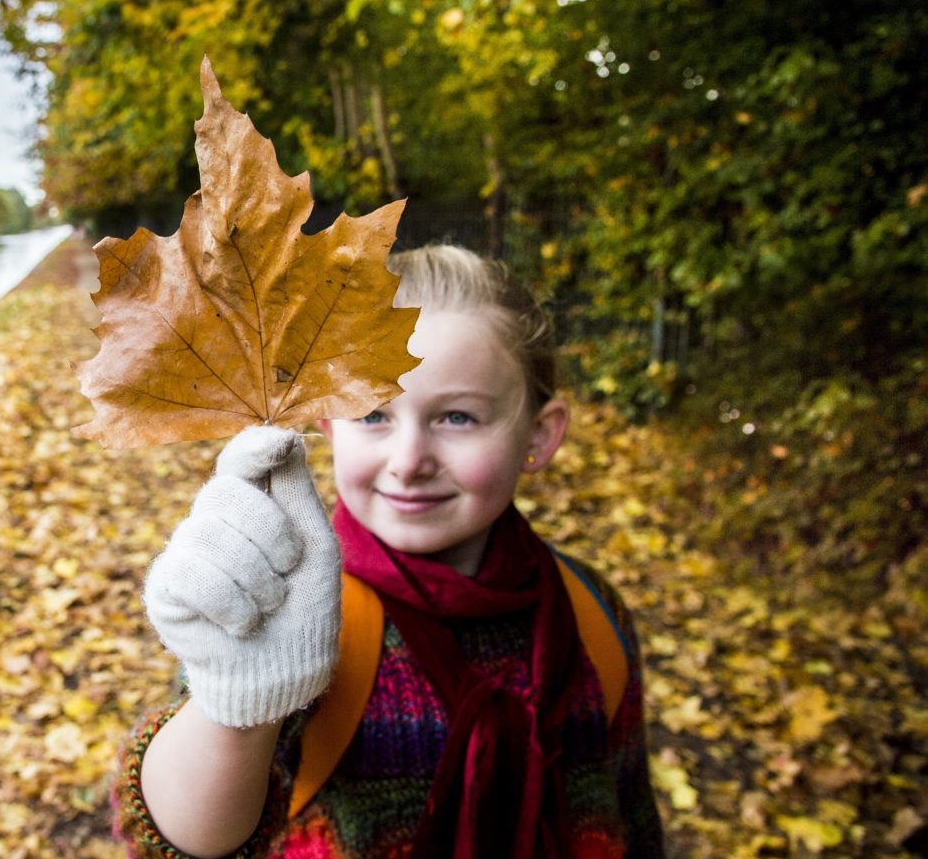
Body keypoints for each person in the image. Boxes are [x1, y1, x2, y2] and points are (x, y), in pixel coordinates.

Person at [113, 244, 665, 859]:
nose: (408, 462)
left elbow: (630, 814)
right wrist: (235, 706)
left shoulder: (591, 612)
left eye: (457, 417)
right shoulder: (285, 600)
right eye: (374, 414)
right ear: (327, 424)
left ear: (538, 434)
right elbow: (185, 838)